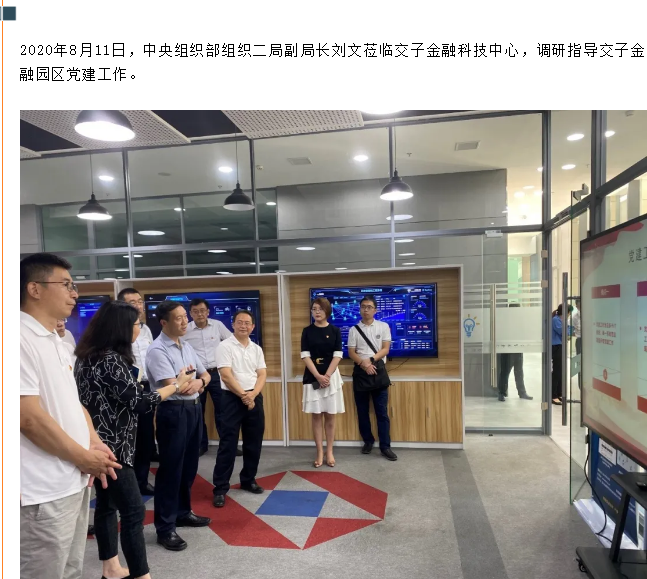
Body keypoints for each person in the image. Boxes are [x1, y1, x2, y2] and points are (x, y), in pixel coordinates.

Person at [75, 300, 196, 579]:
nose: (139, 329)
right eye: (136, 324)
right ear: (121, 327)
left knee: (107, 506)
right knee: (133, 511)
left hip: (97, 442)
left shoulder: (86, 356)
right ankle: (141, 575)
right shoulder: (111, 360)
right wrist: (176, 385)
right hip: (114, 446)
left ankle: (111, 568)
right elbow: (140, 403)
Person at [20, 253, 121, 579]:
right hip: (41, 489)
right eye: (65, 285)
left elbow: (72, 403)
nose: (74, 293)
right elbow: (27, 417)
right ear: (35, 289)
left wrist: (92, 441)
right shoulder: (17, 338)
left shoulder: (57, 340)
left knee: (71, 569)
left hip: (72, 480)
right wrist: (83, 457)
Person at [146, 300, 212, 551]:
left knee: (189, 466)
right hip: (173, 412)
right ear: (164, 323)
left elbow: (205, 374)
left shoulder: (186, 345)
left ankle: (183, 512)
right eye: (179, 318)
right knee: (171, 470)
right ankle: (165, 527)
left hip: (194, 410)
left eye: (186, 316)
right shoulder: (157, 350)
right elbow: (174, 386)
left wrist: (199, 383)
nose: (186, 321)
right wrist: (193, 384)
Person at [212, 310, 267, 508]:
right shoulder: (224, 346)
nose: (243, 326)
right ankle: (220, 488)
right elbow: (226, 375)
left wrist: (252, 395)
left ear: (252, 327)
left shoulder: (256, 349)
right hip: (231, 398)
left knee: (254, 442)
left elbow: (262, 374)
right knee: (228, 443)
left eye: (247, 323)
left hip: (254, 397)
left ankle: (248, 480)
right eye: (240, 322)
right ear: (233, 324)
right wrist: (244, 395)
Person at [184, 297, 241, 457]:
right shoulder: (185, 330)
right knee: (198, 412)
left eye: (202, 311)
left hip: (217, 374)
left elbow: (232, 342)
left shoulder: (217, 325)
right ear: (191, 314)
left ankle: (228, 446)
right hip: (195, 377)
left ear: (208, 312)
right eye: (195, 311)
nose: (199, 314)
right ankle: (200, 445)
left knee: (224, 411)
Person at [118, 287, 157, 496]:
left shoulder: (146, 329)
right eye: (132, 302)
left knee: (145, 436)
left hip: (145, 386)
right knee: (127, 437)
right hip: (125, 389)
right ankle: (126, 483)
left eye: (140, 302)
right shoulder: (116, 332)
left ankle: (141, 481)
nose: (138, 306)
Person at [348, 296, 398, 461]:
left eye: (369, 307)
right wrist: (364, 364)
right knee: (362, 412)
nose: (366, 309)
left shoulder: (383, 326)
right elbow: (351, 352)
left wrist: (370, 360)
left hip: (378, 371)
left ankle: (385, 447)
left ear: (375, 310)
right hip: (361, 372)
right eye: (363, 306)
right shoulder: (354, 329)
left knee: (381, 413)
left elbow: (385, 349)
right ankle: (368, 442)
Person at [301, 297, 344, 468]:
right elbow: (305, 355)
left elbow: (338, 355)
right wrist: (318, 376)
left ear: (327, 311)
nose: (317, 312)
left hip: (331, 377)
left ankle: (330, 451)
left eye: (320, 309)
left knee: (330, 415)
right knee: (316, 415)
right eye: (314, 309)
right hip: (313, 377)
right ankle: (319, 451)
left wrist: (327, 375)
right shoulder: (307, 331)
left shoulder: (335, 330)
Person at [497, 303, 533, 402]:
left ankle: (522, 393)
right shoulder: (505, 321)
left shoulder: (520, 322)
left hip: (518, 349)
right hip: (507, 351)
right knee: (505, 372)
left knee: (519, 372)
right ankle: (501, 393)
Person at [551, 304, 572, 405]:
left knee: (561, 371)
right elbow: (563, 332)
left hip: (561, 345)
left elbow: (568, 332)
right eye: (569, 312)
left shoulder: (562, 320)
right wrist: (567, 329)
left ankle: (559, 393)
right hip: (556, 347)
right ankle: (553, 395)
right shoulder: (555, 320)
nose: (569, 315)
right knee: (557, 371)